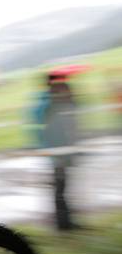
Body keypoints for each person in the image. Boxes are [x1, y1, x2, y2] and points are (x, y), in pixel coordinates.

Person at [33, 72, 80, 230]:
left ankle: (65, 220)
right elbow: (49, 127)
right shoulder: (49, 103)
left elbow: (73, 112)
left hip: (60, 149)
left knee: (62, 185)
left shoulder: (53, 100)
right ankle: (63, 223)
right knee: (60, 186)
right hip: (56, 150)